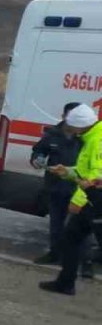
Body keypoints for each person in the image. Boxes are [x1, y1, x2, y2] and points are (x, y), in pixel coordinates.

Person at [40, 105, 102, 296]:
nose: (70, 130)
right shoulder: (90, 137)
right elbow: (85, 171)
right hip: (91, 200)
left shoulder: (97, 141)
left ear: (80, 126)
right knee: (71, 237)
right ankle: (65, 283)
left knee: (74, 238)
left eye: (72, 126)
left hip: (95, 202)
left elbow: (97, 177)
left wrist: (78, 201)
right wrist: (67, 171)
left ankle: (66, 282)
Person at [31, 102, 95, 275]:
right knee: (56, 224)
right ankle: (55, 254)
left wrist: (81, 194)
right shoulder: (52, 135)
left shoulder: (88, 139)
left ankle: (86, 263)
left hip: (79, 191)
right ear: (64, 116)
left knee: (83, 230)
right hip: (56, 187)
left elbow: (94, 172)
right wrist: (38, 160)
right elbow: (38, 151)